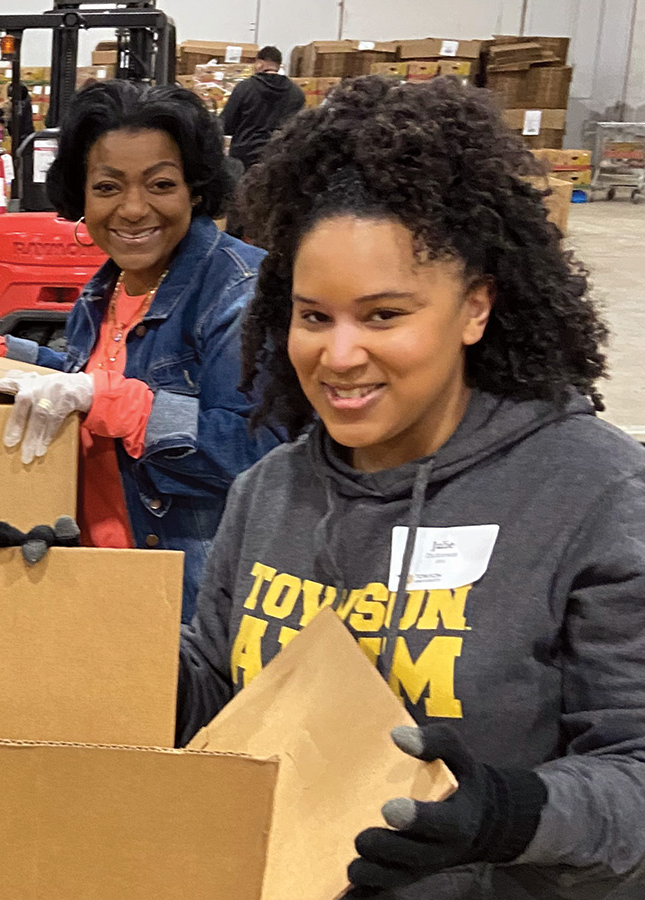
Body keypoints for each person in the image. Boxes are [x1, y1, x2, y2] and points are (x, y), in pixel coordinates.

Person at [182, 76, 645, 899]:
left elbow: (635, 770)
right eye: (315, 316)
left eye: (385, 315)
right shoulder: (269, 492)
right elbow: (219, 697)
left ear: (474, 309)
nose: (341, 354)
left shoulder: (594, 496)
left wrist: (508, 813)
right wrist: (86, 623)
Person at [0, 80, 283, 616]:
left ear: (195, 186)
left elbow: (259, 456)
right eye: (108, 187)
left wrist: (117, 403)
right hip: (101, 568)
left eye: (161, 184)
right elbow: (85, 376)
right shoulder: (109, 284)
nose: (134, 208)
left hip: (186, 597)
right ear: (82, 193)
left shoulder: (237, 293)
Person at [220, 45, 304, 172]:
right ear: (278, 65)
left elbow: (226, 125)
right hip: (278, 159)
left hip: (245, 159)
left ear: (259, 63)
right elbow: (298, 129)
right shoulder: (297, 93)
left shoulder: (245, 88)